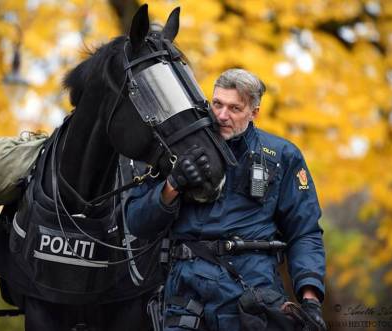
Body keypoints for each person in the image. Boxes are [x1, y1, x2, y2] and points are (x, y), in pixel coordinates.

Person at [125, 69, 326, 331]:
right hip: (186, 293)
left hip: (251, 293)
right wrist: (172, 185)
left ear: (254, 112)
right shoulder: (176, 149)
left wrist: (310, 299)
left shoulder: (282, 155)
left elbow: (305, 231)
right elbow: (136, 223)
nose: (221, 116)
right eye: (217, 104)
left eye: (234, 108)